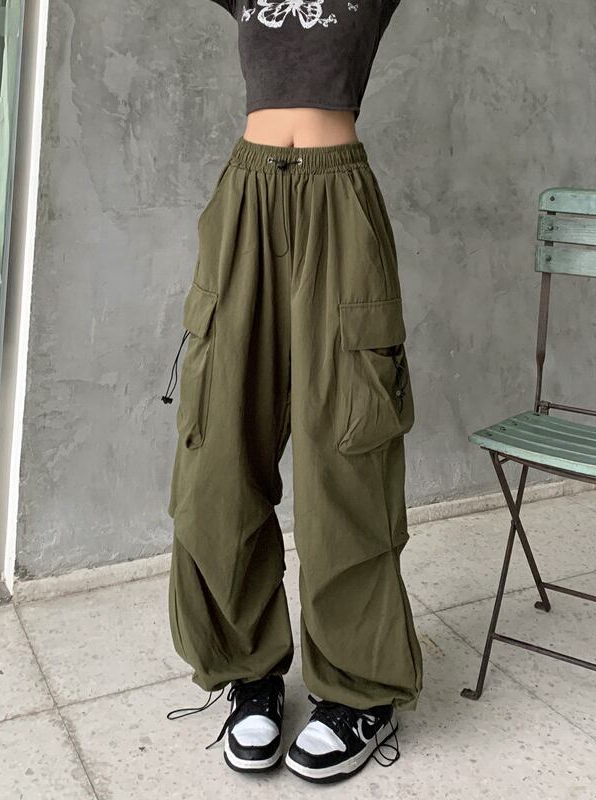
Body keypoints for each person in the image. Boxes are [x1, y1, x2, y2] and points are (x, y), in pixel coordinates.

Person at [161, 0, 423, 784]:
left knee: (348, 450)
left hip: (339, 205)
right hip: (244, 202)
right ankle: (250, 672)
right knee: (219, 449)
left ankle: (359, 689)